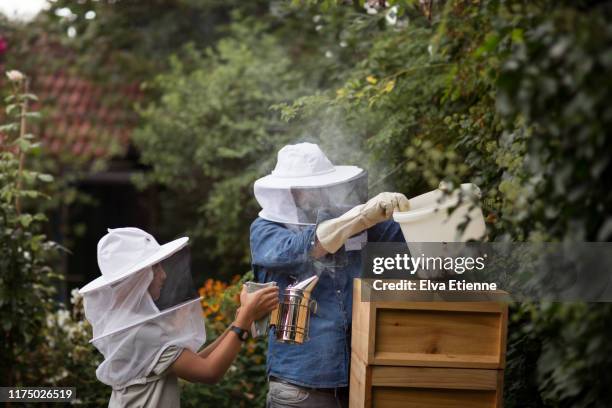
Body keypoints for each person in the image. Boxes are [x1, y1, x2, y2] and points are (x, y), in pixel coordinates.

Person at [250, 143, 408, 407]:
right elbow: (304, 248)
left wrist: (438, 211)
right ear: (290, 191)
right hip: (299, 384)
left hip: (359, 378)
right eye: (308, 189)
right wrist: (361, 216)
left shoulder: (357, 222)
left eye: (320, 187)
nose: (316, 195)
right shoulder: (265, 230)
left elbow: (415, 248)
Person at [80, 227, 278, 407]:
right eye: (156, 267)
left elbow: (192, 361)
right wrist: (243, 321)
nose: (163, 275)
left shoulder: (127, 323)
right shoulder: (143, 331)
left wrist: (239, 321)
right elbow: (208, 372)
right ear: (139, 277)